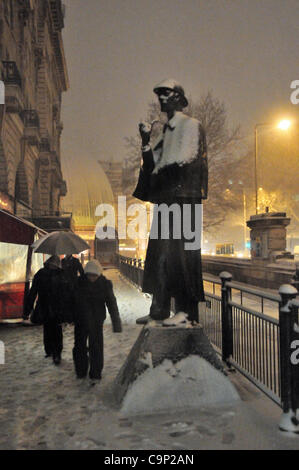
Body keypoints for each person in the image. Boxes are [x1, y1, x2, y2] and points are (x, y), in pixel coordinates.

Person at [133, 79, 208, 325]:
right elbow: (153, 165)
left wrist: (159, 172)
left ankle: (185, 311)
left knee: (182, 256)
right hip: (168, 202)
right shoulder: (166, 132)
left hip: (185, 201)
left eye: (167, 94)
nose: (162, 99)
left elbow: (186, 161)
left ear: (179, 98)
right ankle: (159, 308)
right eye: (160, 95)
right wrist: (145, 141)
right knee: (160, 254)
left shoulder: (190, 126)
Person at [73, 260, 122, 382]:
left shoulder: (105, 284)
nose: (91, 278)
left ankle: (95, 372)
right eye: (89, 275)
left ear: (99, 274)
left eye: (94, 275)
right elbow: (71, 301)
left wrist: (116, 322)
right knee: (79, 347)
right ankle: (81, 370)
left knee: (96, 347)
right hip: (80, 320)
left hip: (96, 321)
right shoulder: (78, 283)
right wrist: (68, 316)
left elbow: (112, 303)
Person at [23, 255, 68, 365]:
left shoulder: (60, 274)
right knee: (48, 328)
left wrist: (68, 310)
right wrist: (27, 309)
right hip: (46, 306)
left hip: (57, 307)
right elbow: (33, 292)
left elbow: (66, 293)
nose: (54, 266)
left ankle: (56, 353)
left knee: (56, 330)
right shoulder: (42, 274)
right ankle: (49, 350)